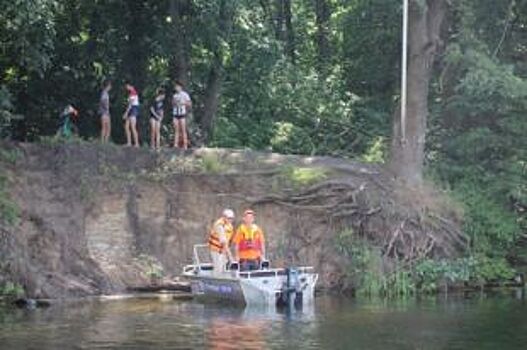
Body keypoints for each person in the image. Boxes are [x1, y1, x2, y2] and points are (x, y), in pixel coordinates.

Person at [208, 209, 235, 274]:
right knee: (218, 268)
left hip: (223, 251)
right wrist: (230, 257)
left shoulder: (230, 226)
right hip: (216, 250)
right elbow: (223, 242)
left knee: (224, 267)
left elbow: (229, 240)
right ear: (224, 217)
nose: (230, 220)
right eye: (229, 218)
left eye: (231, 218)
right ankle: (215, 281)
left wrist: (227, 252)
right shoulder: (219, 225)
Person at [172, 81, 191, 149]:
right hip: (175, 113)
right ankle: (175, 144)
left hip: (182, 113)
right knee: (176, 129)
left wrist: (183, 103)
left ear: (180, 87)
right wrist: (175, 103)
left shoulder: (185, 94)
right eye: (175, 87)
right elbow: (172, 104)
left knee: (183, 129)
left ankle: (185, 145)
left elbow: (189, 104)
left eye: (177, 86)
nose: (176, 88)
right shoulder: (174, 95)